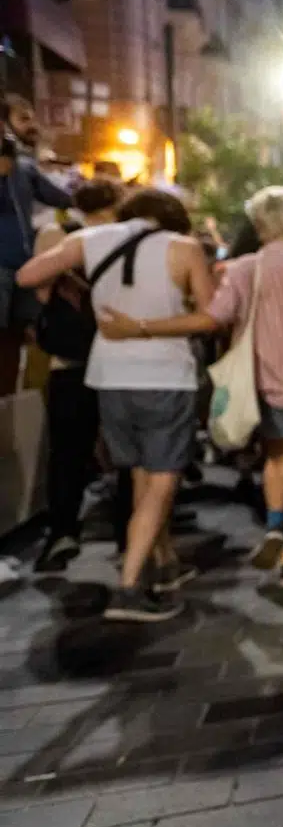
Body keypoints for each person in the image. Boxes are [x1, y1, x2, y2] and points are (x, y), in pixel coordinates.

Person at [99, 187, 283, 591]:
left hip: (269, 376)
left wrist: (142, 327)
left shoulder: (247, 267)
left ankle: (274, 524)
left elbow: (213, 317)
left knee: (279, 459)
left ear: (261, 224)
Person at [20, 189, 211, 621]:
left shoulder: (92, 239)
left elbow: (28, 277)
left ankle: (162, 566)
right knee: (162, 480)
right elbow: (209, 316)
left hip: (108, 376)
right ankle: (128, 588)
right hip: (164, 375)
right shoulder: (184, 248)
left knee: (141, 475)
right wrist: (143, 326)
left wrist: (73, 283)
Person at [29, 180, 122, 572]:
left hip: (70, 358)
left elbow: (38, 291)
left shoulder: (57, 235)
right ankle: (131, 538)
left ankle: (62, 532)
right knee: (127, 453)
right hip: (118, 354)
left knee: (67, 452)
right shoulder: (126, 239)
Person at [0, 95, 73, 396]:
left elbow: (61, 198)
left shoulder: (26, 169)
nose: (31, 126)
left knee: (19, 336)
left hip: (24, 266)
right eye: (22, 118)